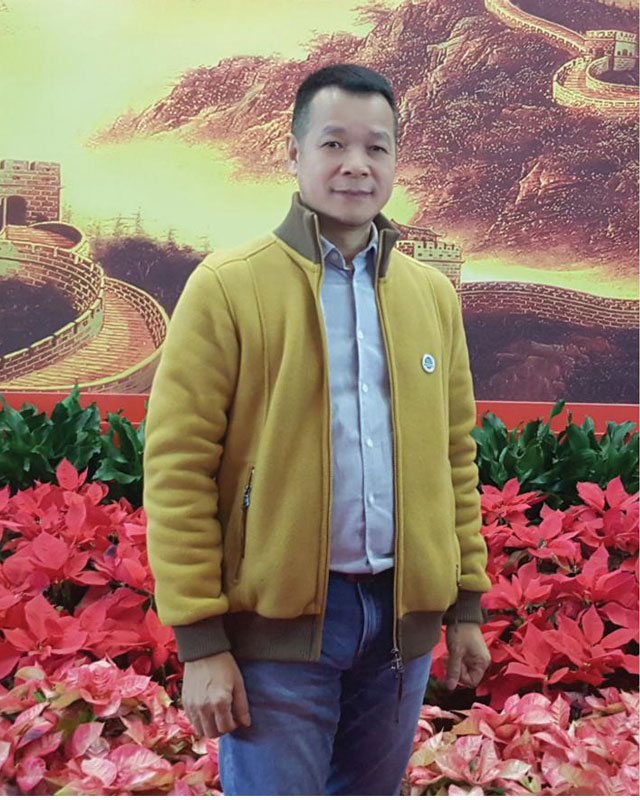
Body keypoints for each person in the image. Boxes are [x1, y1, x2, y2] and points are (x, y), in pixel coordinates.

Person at [143, 63, 492, 796]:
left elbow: (455, 459)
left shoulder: (432, 297)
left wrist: (464, 606)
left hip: (398, 631)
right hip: (278, 637)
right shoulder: (229, 287)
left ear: (394, 161)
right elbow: (178, 469)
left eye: (376, 147)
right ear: (294, 154)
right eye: (334, 144)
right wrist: (201, 643)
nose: (356, 165)